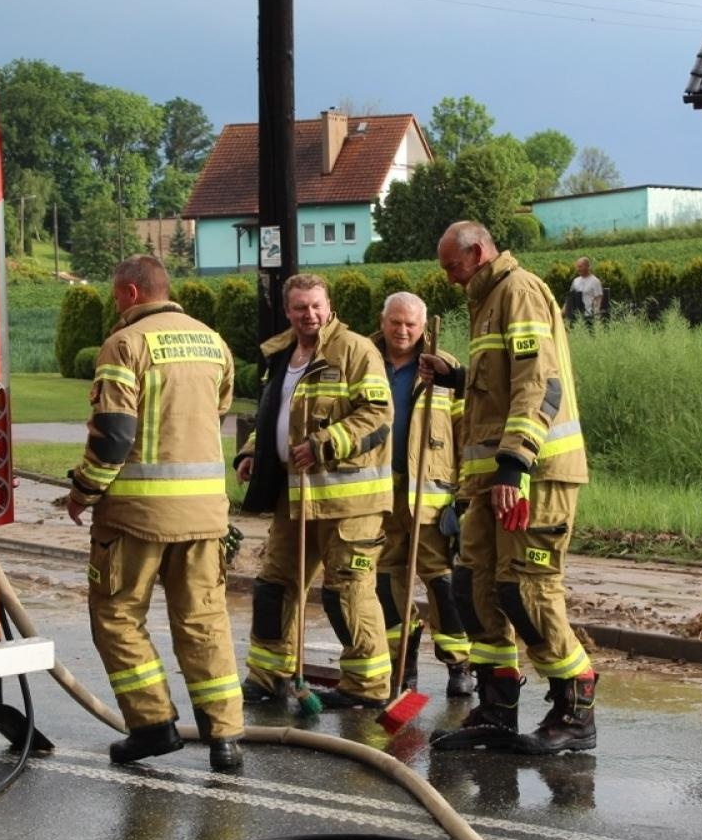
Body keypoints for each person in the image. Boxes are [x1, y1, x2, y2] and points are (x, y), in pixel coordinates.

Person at [65, 255, 245, 771]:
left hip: (136, 518)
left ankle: (151, 726)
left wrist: (84, 492)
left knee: (117, 616)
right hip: (206, 514)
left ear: (128, 293)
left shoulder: (125, 344)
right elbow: (217, 413)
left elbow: (115, 435)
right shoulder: (213, 341)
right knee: (204, 621)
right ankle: (225, 739)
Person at [423, 221, 597, 754]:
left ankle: (576, 709)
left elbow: (538, 383)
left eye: (453, 267)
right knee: (477, 588)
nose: (450, 279)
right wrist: (456, 377)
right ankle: (497, 708)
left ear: (477, 253)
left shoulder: (517, 291)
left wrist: (514, 466)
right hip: (491, 485)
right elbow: (498, 382)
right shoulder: (489, 298)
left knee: (525, 591)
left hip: (533, 477)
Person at [235, 273, 394, 710]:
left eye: (317, 306)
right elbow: (275, 416)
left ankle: (367, 685)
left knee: (346, 591)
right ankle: (268, 676)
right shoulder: (284, 354)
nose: (310, 315)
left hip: (350, 502)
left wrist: (325, 444)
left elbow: (379, 414)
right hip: (296, 497)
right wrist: (253, 453)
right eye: (301, 307)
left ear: (329, 305)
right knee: (273, 586)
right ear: (288, 311)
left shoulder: (356, 350)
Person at [371, 291, 473, 699]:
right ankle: (403, 664)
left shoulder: (444, 369)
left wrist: (465, 490)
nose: (402, 330)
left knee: (442, 582)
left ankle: (459, 665)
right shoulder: (363, 361)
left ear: (424, 326)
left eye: (411, 324)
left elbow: (466, 434)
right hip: (378, 492)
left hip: (429, 497)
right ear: (383, 322)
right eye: (396, 322)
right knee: (384, 581)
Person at [563, 257, 604, 325]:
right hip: (576, 317)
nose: (578, 269)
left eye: (580, 267)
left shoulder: (595, 281)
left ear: (587, 266)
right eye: (577, 267)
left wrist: (597, 318)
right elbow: (569, 299)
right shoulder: (575, 281)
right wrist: (561, 314)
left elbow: (598, 300)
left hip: (589, 317)